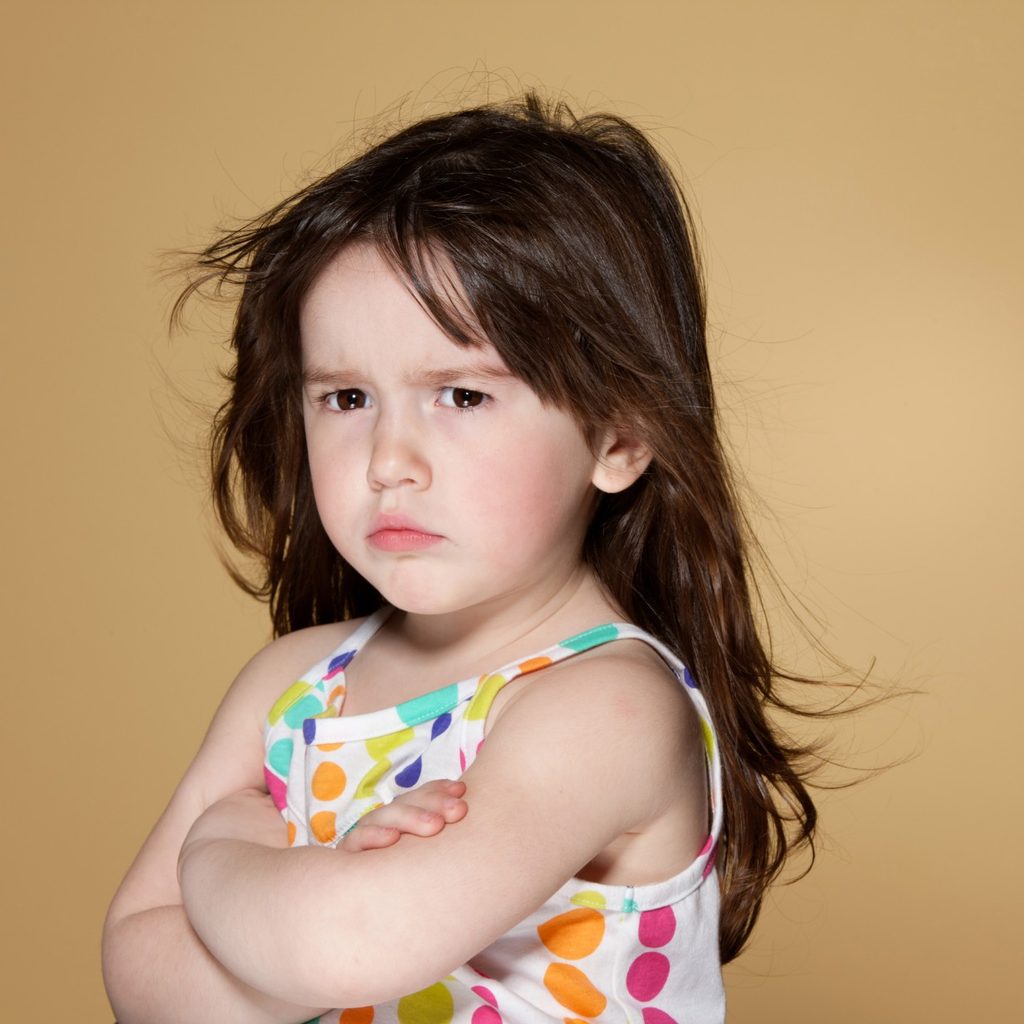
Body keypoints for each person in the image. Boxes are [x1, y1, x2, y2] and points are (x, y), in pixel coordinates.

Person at [102, 93, 820, 1024]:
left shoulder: (607, 708)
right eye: (348, 398)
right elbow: (141, 973)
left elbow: (348, 945)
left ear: (619, 437)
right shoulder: (292, 685)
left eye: (464, 396)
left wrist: (221, 850)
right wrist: (291, 916)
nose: (389, 462)